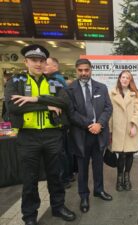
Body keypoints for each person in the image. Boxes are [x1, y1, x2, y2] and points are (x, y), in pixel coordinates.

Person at [4, 44, 76, 225]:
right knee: (29, 179)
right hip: (28, 137)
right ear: (26, 61)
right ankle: (29, 216)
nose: (38, 63)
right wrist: (46, 105)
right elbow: (13, 106)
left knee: (56, 175)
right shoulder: (16, 81)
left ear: (46, 62)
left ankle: (58, 207)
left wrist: (35, 99)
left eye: (41, 60)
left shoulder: (56, 82)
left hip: (53, 135)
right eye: (34, 60)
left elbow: (64, 103)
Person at [67, 59, 113, 213]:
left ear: (91, 70)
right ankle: (84, 196)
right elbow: (71, 113)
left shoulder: (101, 87)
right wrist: (89, 124)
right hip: (81, 135)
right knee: (83, 168)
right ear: (76, 70)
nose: (83, 73)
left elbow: (108, 108)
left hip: (99, 133)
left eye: (86, 70)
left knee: (99, 165)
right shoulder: (70, 89)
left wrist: (99, 124)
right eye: (80, 70)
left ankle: (98, 190)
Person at [109, 70, 138, 191]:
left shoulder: (136, 94)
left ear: (130, 81)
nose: (124, 79)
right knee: (121, 155)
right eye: (122, 77)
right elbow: (109, 112)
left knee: (130, 154)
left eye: (127, 78)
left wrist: (134, 126)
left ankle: (127, 176)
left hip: (131, 129)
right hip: (118, 129)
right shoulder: (112, 93)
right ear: (119, 79)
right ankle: (119, 178)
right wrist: (109, 130)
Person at [44, 57, 74, 189]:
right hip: (63, 120)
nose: (44, 66)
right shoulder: (59, 80)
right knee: (65, 149)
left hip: (59, 121)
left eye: (47, 64)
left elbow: (57, 101)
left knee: (61, 151)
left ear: (55, 67)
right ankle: (69, 175)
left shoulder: (54, 81)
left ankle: (65, 178)